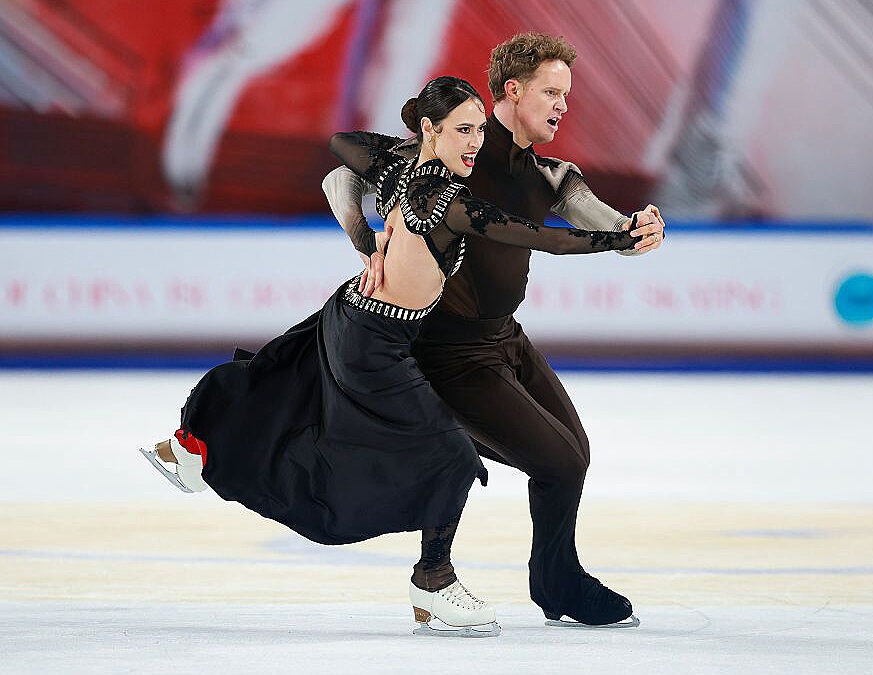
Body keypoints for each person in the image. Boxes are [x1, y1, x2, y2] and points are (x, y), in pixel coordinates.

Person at [141, 75, 641, 637]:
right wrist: (620, 239)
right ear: (430, 128)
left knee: (278, 385)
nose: (476, 142)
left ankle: (184, 449)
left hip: (351, 312)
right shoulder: (449, 202)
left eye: (480, 129)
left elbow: (342, 145)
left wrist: (363, 236)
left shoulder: (398, 169)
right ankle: (433, 583)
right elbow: (543, 237)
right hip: (376, 341)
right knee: (449, 458)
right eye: (462, 130)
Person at [323, 33, 665, 628]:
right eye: (552, 93)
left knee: (572, 456)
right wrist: (363, 239)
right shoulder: (450, 153)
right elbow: (339, 176)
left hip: (504, 338)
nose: (563, 106)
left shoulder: (552, 175)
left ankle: (552, 578)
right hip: (448, 351)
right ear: (514, 90)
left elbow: (608, 226)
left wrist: (637, 231)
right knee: (556, 461)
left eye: (566, 95)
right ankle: (480, 571)